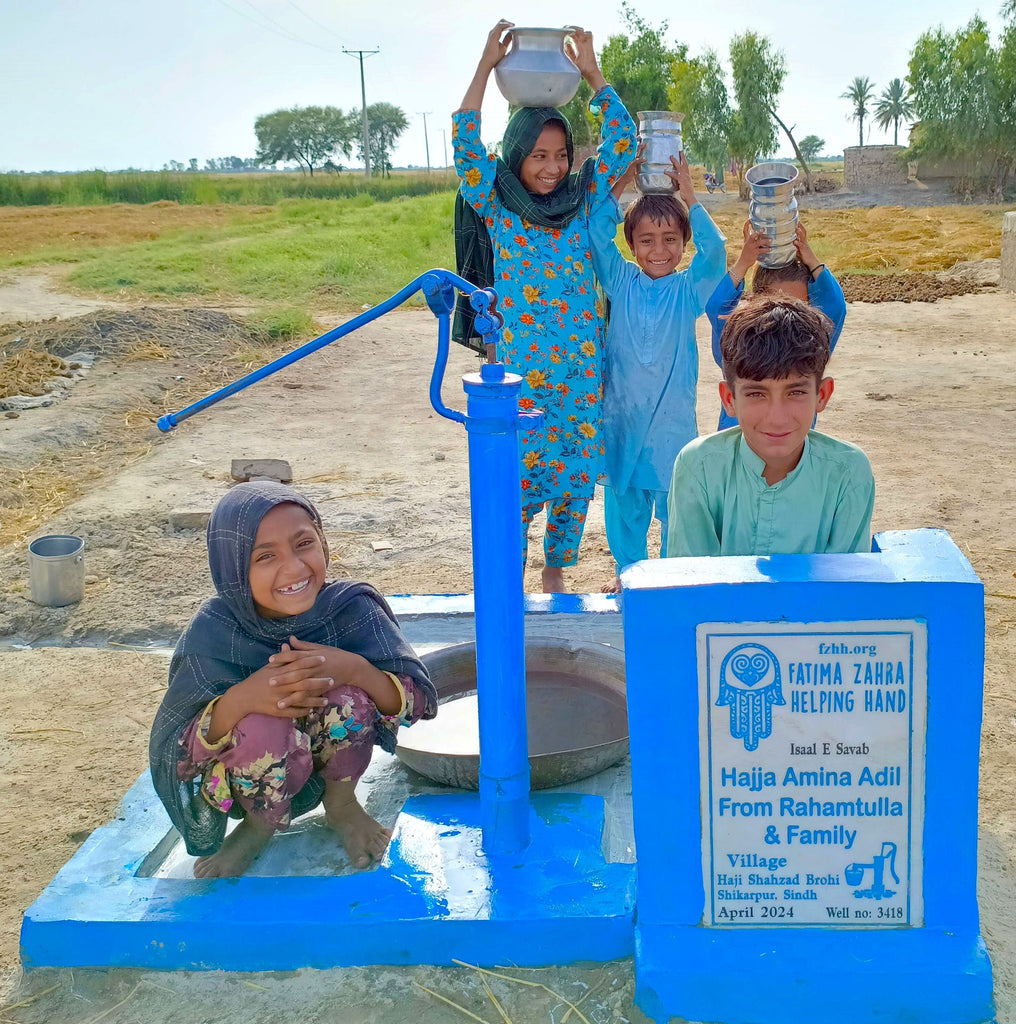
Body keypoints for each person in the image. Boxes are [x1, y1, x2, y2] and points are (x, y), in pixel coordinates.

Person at [149, 482, 437, 878]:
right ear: (231, 569)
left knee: (349, 698)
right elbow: (179, 754)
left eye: (304, 544)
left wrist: (356, 670)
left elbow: (418, 704)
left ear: (322, 542)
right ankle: (259, 825)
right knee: (261, 725)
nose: (294, 568)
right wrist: (243, 699)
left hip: (334, 757)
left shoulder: (351, 609)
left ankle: (341, 805)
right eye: (265, 556)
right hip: (250, 779)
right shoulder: (214, 633)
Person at [453, 20, 636, 593]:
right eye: (538, 155)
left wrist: (591, 72)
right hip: (522, 375)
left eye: (560, 154)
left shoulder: (583, 200)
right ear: (516, 154)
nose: (552, 166)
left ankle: (555, 572)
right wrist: (486, 66)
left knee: (576, 476)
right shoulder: (499, 205)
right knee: (519, 476)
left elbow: (625, 143)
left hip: (581, 372)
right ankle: (508, 573)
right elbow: (463, 139)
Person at [588, 149, 727, 591]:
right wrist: (624, 183)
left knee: (675, 511)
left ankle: (666, 583)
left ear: (684, 244)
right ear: (632, 246)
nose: (659, 250)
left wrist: (690, 196)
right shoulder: (621, 281)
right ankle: (629, 576)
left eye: (670, 239)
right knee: (624, 510)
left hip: (671, 428)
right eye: (646, 239)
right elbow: (594, 228)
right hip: (624, 423)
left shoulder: (688, 291)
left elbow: (717, 252)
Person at [667, 295, 874, 558]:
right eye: (756, 394)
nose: (777, 417)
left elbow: (843, 587)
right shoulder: (699, 466)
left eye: (795, 392)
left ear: (822, 394)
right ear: (729, 399)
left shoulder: (847, 473)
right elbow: (692, 584)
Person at [706, 220, 846, 429]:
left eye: (797, 307)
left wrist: (810, 257)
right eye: (774, 304)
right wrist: (743, 262)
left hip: (792, 452)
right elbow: (716, 308)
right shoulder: (739, 337)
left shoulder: (812, 343)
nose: (784, 313)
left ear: (811, 310)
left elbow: (836, 307)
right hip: (738, 448)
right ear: (754, 301)